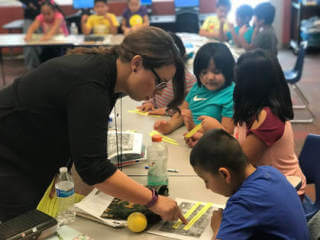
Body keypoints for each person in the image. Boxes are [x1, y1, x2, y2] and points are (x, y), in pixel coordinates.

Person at [0, 27, 187, 224]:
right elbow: (93, 167)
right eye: (160, 82)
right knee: (24, 227)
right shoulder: (91, 85)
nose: (159, 93)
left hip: (28, 145)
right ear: (137, 64)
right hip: (9, 153)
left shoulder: (108, 75)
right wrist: (153, 200)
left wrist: (61, 168)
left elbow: (77, 131)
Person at [188, 49, 307, 198]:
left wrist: (219, 131)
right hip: (262, 182)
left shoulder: (269, 117)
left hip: (283, 191)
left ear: (250, 84)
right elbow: (240, 141)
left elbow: (240, 162)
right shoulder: (252, 107)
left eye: (239, 79)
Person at [190, 129, 310, 239]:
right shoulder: (269, 172)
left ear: (224, 174)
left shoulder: (244, 202)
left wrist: (218, 228)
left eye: (206, 180)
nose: (207, 187)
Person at [154, 42, 235, 135]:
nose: (210, 77)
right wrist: (169, 126)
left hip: (211, 142)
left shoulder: (231, 95)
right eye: (204, 72)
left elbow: (227, 134)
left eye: (216, 72)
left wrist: (194, 129)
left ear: (228, 71)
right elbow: (182, 113)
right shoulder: (198, 86)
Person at [137, 32, 196, 116]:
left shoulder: (189, 79)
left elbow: (189, 107)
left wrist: (167, 111)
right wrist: (149, 103)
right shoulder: (156, 74)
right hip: (155, 118)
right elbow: (153, 94)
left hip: (174, 121)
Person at [18, 0, 42, 70]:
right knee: (29, 44)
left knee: (41, 44)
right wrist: (29, 3)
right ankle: (31, 68)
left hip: (43, 17)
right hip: (30, 18)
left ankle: (41, 66)